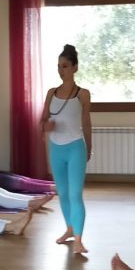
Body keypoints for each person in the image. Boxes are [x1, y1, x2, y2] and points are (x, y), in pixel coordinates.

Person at [41, 43, 92, 256]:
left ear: (74, 67)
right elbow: (43, 120)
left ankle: (78, 239)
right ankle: (70, 229)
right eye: (58, 66)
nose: (61, 70)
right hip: (56, 148)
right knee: (62, 193)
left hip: (75, 148)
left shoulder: (83, 94)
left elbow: (86, 122)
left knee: (74, 194)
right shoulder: (51, 93)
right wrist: (46, 126)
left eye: (65, 66)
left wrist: (89, 147)